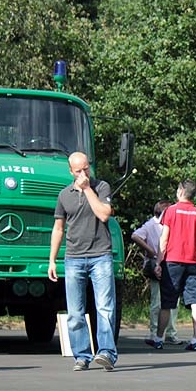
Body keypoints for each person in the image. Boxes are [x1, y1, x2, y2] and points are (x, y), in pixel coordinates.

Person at [48, 151, 119, 371]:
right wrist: (52, 260)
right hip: (73, 258)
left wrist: (88, 188)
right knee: (75, 312)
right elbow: (58, 228)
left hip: (101, 255)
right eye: (78, 170)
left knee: (105, 307)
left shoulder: (102, 187)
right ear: (71, 171)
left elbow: (104, 214)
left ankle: (106, 353)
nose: (83, 173)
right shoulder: (64, 195)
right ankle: (82, 355)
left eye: (86, 168)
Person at [155, 179, 196, 351]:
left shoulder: (170, 211)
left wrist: (158, 262)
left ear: (181, 191)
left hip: (172, 262)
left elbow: (164, 239)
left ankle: (159, 339)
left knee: (167, 303)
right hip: (193, 262)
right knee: (195, 301)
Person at [131, 200, 181, 349]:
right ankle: (159, 332)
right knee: (159, 301)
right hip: (161, 263)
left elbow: (135, 236)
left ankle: (166, 333)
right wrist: (151, 251)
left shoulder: (153, 224)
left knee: (166, 301)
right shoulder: (151, 224)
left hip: (166, 263)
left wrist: (149, 250)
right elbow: (135, 236)